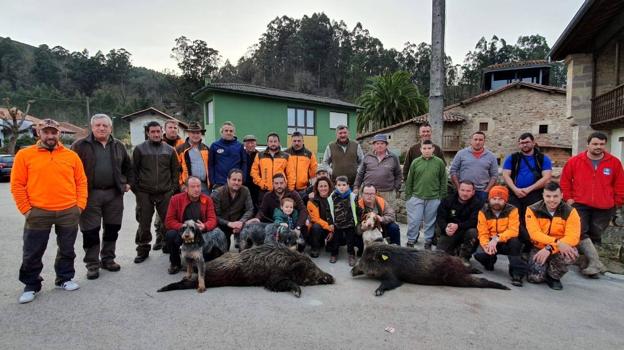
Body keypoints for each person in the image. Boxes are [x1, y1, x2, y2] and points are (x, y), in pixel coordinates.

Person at [11, 119, 88, 304]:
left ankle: (64, 278)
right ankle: (31, 285)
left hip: (68, 210)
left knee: (67, 248)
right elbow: (17, 184)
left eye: (53, 132)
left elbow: (81, 182)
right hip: (38, 212)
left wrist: (79, 206)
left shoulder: (71, 156)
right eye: (46, 132)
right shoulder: (25, 155)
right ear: (39, 133)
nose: (50, 136)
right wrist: (26, 210)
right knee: (32, 250)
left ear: (59, 133)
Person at [71, 114, 133, 280]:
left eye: (105, 125)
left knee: (112, 228)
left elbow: (128, 166)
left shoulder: (118, 145)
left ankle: (108, 258)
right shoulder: (79, 146)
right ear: (92, 127)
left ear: (110, 128)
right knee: (90, 231)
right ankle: (92, 264)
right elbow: (69, 169)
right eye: (98, 125)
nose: (101, 128)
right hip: (90, 194)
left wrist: (127, 182)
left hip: (114, 194)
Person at [560, 132, 624, 278]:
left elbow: (620, 184)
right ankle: (595, 262)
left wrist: (617, 202)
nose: (598, 147)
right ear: (588, 144)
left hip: (604, 206)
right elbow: (565, 181)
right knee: (580, 232)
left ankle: (587, 263)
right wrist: (569, 199)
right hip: (580, 204)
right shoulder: (575, 161)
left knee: (595, 234)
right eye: (595, 144)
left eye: (602, 144)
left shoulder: (614, 162)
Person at [132, 121, 180, 263]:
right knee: (144, 222)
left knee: (168, 221)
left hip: (165, 192)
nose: (156, 134)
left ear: (161, 132)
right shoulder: (139, 149)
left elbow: (175, 171)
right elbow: (133, 171)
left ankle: (168, 244)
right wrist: (138, 191)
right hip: (145, 192)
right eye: (153, 132)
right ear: (148, 133)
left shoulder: (170, 150)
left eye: (158, 131)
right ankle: (142, 249)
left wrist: (172, 189)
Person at [502, 133, 553, 255]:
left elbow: (547, 177)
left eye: (527, 142)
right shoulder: (513, 158)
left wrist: (529, 189)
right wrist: (515, 189)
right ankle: (518, 244)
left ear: (533, 142)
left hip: (534, 193)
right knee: (514, 219)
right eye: (521, 143)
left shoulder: (542, 158)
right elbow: (505, 175)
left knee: (531, 220)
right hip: (515, 193)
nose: (524, 145)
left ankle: (530, 246)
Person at [525, 182, 580, 290]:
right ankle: (535, 262)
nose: (552, 200)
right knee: (534, 278)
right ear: (543, 196)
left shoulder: (571, 212)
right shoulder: (532, 209)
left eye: (555, 196)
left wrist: (550, 248)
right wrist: (557, 243)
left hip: (560, 249)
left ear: (562, 196)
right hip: (539, 248)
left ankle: (553, 277)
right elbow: (535, 233)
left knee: (571, 254)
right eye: (548, 196)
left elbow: (573, 236)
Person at [474, 186, 527, 287]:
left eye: (500, 199)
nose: (497, 202)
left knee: (515, 242)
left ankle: (517, 273)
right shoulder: (483, 211)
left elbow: (513, 230)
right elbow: (482, 232)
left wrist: (497, 238)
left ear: (505, 200)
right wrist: (486, 245)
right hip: (490, 242)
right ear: (489, 199)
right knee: (480, 254)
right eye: (494, 199)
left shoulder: (512, 210)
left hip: (506, 241)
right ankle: (490, 261)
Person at [164, 176, 219, 274]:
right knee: (170, 235)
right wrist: (184, 228)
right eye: (193, 187)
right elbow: (169, 221)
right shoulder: (175, 199)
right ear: (186, 188)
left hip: (200, 233)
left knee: (217, 233)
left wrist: (205, 226)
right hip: (183, 232)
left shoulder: (207, 199)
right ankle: (175, 263)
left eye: (198, 186)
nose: (196, 189)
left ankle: (203, 261)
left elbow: (213, 219)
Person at [404, 140, 447, 249]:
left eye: (429, 148)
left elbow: (443, 180)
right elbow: (410, 180)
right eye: (424, 148)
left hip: (433, 198)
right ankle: (411, 240)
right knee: (415, 220)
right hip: (417, 197)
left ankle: (428, 241)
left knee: (430, 221)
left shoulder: (439, 163)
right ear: (421, 149)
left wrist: (441, 196)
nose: (427, 150)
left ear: (433, 149)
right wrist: (409, 196)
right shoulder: (415, 162)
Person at [255, 173, 309, 251]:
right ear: (273, 184)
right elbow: (262, 211)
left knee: (300, 247)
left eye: (281, 183)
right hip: (276, 227)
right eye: (276, 183)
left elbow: (303, 210)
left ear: (285, 183)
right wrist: (257, 218)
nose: (279, 186)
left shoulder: (293, 194)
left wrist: (298, 227)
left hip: (293, 226)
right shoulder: (268, 196)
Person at [436, 181, 482, 266]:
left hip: (466, 231)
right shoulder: (448, 200)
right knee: (439, 257)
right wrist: (445, 227)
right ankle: (454, 250)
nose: (465, 193)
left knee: (474, 232)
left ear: (473, 192)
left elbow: (474, 221)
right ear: (458, 189)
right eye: (462, 190)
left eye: (468, 191)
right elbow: (440, 217)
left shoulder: (477, 204)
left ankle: (465, 257)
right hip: (450, 231)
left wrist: (458, 226)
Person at [354, 134, 402, 209]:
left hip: (387, 193)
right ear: (374, 145)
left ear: (386, 145)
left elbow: (398, 174)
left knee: (388, 214)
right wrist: (356, 187)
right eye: (377, 143)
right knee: (369, 214)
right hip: (369, 192)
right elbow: (360, 173)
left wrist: (396, 188)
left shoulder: (393, 157)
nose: (379, 146)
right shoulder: (367, 157)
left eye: (382, 143)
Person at [211, 168, 254, 251]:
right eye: (234, 180)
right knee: (221, 250)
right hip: (222, 225)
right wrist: (229, 224)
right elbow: (214, 216)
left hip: (239, 223)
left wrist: (241, 222)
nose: (236, 183)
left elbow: (250, 209)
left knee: (248, 239)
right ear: (228, 180)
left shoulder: (245, 190)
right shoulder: (217, 193)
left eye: (239, 180)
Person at [450, 131, 498, 202]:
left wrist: (487, 190)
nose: (478, 142)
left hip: (482, 192)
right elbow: (453, 171)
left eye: (480, 140)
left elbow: (494, 175)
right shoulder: (461, 154)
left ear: (484, 141)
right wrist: (458, 187)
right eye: (475, 139)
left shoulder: (491, 156)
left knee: (479, 213)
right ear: (471, 141)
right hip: (464, 191)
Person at [327, 176, 361, 266]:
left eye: (344, 185)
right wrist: (330, 223)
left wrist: (358, 220)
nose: (341, 187)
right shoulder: (332, 197)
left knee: (350, 241)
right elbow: (328, 211)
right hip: (337, 224)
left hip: (350, 223)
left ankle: (351, 255)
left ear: (348, 186)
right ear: (335, 186)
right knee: (336, 240)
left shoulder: (352, 196)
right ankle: (334, 254)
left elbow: (357, 209)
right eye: (339, 185)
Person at [251, 132, 290, 203]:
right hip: (264, 190)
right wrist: (261, 183)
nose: (273, 143)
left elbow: (291, 174)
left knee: (280, 212)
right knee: (263, 211)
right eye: (271, 141)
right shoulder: (260, 155)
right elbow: (254, 172)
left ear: (278, 143)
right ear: (267, 143)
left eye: (275, 141)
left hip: (281, 190)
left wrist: (289, 188)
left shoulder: (286, 156)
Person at [209, 121, 246, 189]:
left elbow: (244, 163)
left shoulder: (240, 146)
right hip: (219, 183)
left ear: (234, 133)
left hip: (235, 183)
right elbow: (211, 165)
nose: (228, 133)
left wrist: (242, 179)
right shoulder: (214, 145)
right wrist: (212, 181)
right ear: (222, 132)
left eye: (231, 131)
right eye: (226, 130)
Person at [177, 121, 210, 194]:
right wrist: (181, 185)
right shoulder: (180, 149)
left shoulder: (206, 148)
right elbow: (176, 170)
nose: (196, 135)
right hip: (188, 186)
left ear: (201, 134)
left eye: (198, 133)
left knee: (204, 205)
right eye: (193, 133)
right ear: (188, 133)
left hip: (204, 185)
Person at [307, 176, 334, 258]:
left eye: (325, 186)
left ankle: (330, 243)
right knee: (316, 226)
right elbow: (315, 219)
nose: (323, 188)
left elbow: (338, 217)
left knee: (331, 248)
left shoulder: (335, 199)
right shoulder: (312, 201)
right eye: (321, 186)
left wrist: (332, 231)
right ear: (317, 188)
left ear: (329, 187)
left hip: (332, 227)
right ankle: (315, 248)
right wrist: (330, 228)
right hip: (320, 229)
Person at [286, 131, 318, 197]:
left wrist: (313, 189)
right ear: (291, 141)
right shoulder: (285, 154)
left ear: (303, 141)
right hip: (288, 189)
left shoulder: (309, 154)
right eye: (294, 141)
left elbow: (314, 174)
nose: (296, 143)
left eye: (299, 141)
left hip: (304, 189)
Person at [242, 134, 260, 210]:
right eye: (248, 143)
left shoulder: (259, 155)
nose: (250, 145)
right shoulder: (241, 154)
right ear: (244, 144)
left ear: (255, 144)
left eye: (252, 143)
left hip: (256, 183)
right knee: (244, 201)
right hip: (244, 182)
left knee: (255, 202)